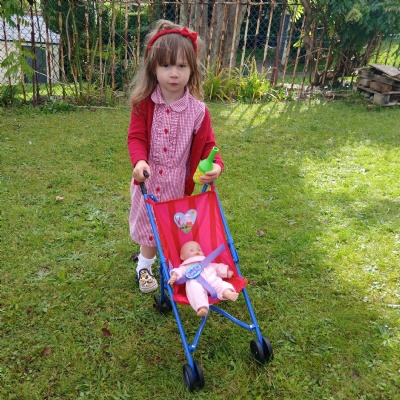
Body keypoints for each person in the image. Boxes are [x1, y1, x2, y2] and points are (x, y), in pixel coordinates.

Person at [127, 20, 224, 293]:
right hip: (149, 181)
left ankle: (176, 265)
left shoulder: (198, 111)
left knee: (175, 229)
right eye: (166, 65)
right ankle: (144, 267)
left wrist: (216, 167)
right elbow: (136, 137)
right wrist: (139, 161)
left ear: (192, 69)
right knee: (149, 229)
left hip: (177, 185)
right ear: (153, 68)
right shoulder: (144, 104)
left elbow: (210, 146)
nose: (174, 73)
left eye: (182, 66)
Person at [168, 241, 239, 316]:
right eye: (191, 250)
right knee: (194, 290)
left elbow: (217, 267)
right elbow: (179, 271)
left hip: (213, 280)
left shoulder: (207, 263)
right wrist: (175, 275)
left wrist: (226, 271)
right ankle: (202, 307)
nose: (196, 251)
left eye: (199, 249)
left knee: (221, 284)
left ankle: (227, 293)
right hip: (197, 284)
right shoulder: (185, 267)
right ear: (182, 257)